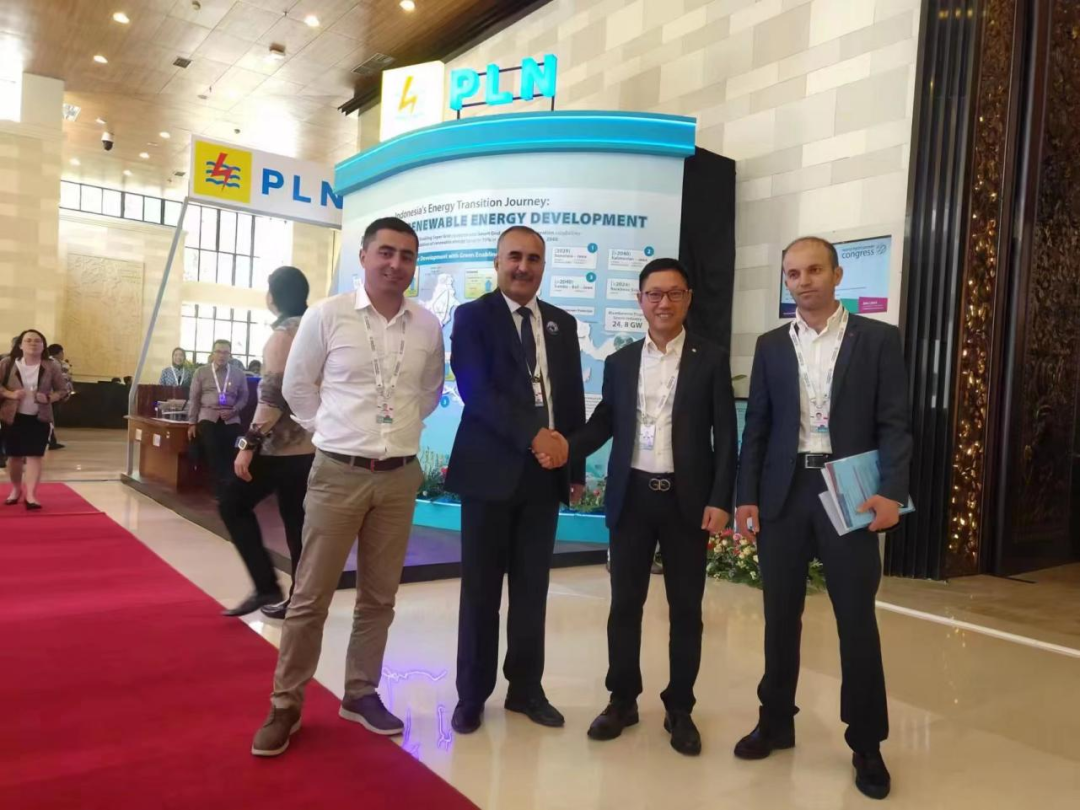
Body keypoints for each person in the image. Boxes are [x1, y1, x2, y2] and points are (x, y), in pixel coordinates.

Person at [251, 217, 443, 757]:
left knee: (379, 597)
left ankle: (360, 692)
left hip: (399, 476)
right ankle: (285, 704)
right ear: (363, 256)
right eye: (386, 252)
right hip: (337, 471)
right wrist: (332, 431)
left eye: (407, 255)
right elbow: (297, 386)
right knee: (310, 596)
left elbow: (429, 392)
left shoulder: (427, 324)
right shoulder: (328, 314)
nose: (396, 264)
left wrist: (392, 435)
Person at [733, 237, 912, 800]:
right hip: (785, 493)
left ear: (837, 275)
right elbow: (757, 426)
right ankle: (775, 721)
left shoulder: (877, 339)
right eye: (793, 273)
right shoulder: (770, 345)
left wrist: (891, 491)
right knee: (779, 616)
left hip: (850, 491)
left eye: (814, 270)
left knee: (856, 620)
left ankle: (867, 743)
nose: (803, 281)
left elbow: (895, 423)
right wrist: (746, 496)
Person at [540, 258, 737, 756]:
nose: (663, 303)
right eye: (654, 294)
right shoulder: (622, 361)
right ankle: (622, 699)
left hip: (688, 502)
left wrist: (721, 500)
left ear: (688, 298)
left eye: (674, 293)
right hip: (632, 499)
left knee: (686, 609)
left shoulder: (711, 359)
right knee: (625, 605)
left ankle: (680, 707)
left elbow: (726, 437)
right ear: (641, 300)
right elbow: (605, 422)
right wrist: (565, 447)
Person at [445, 225, 586, 735]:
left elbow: (570, 398)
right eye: (514, 257)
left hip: (544, 478)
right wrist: (533, 435)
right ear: (498, 262)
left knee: (532, 592)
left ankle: (526, 689)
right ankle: (471, 695)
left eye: (533, 259)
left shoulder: (561, 323)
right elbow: (475, 389)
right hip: (489, 475)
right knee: (481, 593)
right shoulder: (473, 316)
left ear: (543, 265)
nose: (523, 267)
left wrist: (572, 466)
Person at [219, 268, 315, 619]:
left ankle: (265, 585)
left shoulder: (283, 335)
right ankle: (302, 601)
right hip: (313, 445)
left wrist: (248, 444)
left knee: (232, 503)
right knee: (297, 524)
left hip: (281, 446)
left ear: (273, 297)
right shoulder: (317, 329)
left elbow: (272, 397)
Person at [0, 330, 67, 510]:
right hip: (12, 417)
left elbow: (63, 390)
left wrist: (49, 398)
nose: (33, 344)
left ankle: (31, 495)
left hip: (40, 417)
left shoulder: (51, 366)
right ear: (20, 345)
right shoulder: (7, 363)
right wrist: (10, 394)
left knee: (35, 456)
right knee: (14, 457)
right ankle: (16, 490)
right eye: (28, 340)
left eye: (37, 341)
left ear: (43, 346)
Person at [187, 339, 249, 493]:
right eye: (219, 352)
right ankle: (218, 487)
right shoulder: (201, 372)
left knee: (235, 448)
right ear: (213, 353)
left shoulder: (238, 374)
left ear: (230, 355)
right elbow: (194, 398)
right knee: (212, 447)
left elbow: (244, 397)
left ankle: (231, 485)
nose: (222, 355)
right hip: (208, 416)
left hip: (231, 417)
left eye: (225, 352)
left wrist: (234, 410)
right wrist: (192, 423)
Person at [46, 344, 73, 451]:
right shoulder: (54, 363)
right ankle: (50, 441)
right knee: (50, 418)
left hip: (53, 395)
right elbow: (60, 379)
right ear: (58, 353)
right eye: (62, 352)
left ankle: (52, 440)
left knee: (50, 418)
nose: (63, 354)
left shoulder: (53, 362)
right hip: (53, 395)